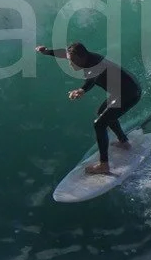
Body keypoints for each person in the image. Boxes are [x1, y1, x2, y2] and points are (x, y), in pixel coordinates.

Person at [39, 41, 142, 175]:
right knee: (102, 114)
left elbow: (92, 79)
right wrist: (46, 51)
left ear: (81, 58)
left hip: (129, 93)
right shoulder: (84, 57)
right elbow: (64, 53)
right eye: (70, 60)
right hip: (122, 91)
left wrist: (81, 90)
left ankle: (104, 165)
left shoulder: (95, 65)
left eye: (73, 61)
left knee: (99, 124)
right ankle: (124, 142)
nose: (70, 63)